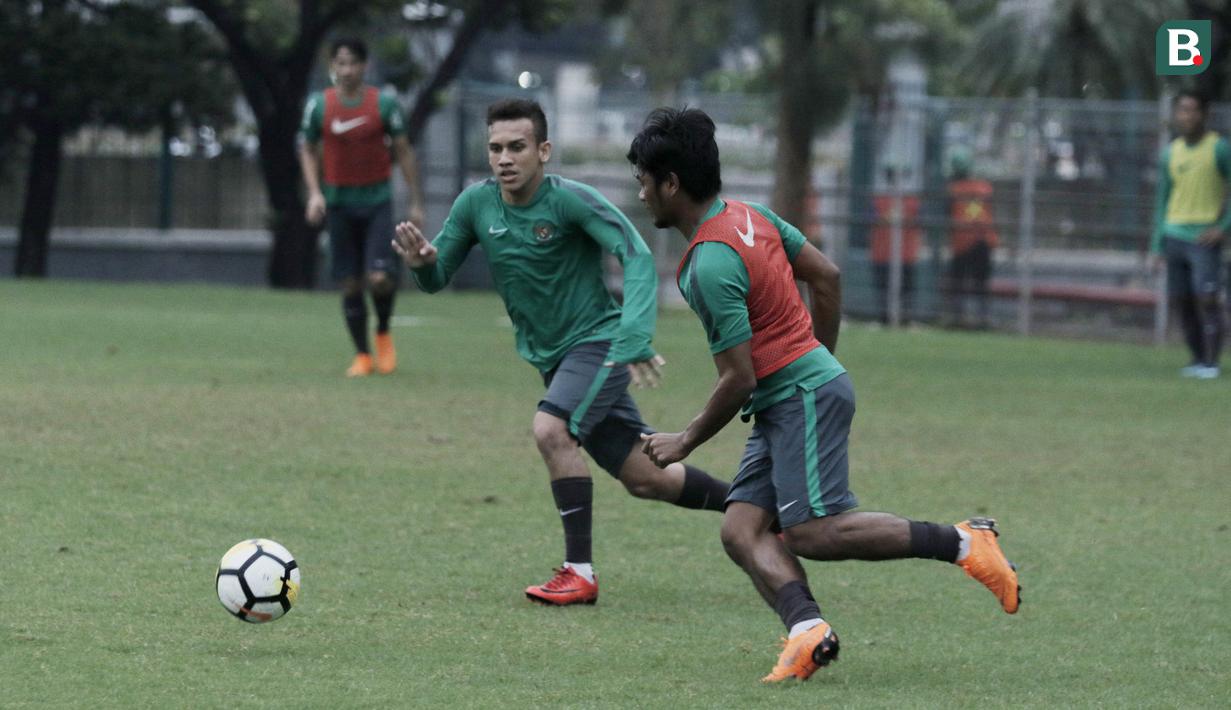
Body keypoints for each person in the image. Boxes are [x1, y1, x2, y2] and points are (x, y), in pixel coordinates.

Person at [627, 107, 1020, 682]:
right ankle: (807, 632)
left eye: (644, 181)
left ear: (671, 183)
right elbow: (827, 276)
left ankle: (964, 542)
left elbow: (738, 378)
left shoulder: (708, 263)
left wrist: (683, 441)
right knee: (741, 529)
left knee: (812, 532)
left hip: (800, 396)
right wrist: (820, 356)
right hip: (796, 392)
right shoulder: (750, 216)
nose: (641, 195)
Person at [391, 98, 730, 606]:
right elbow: (437, 278)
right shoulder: (475, 206)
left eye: (517, 147)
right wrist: (421, 262)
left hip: (599, 346)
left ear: (544, 150)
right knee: (646, 477)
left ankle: (580, 572)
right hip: (555, 363)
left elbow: (635, 255)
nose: (504, 158)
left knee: (552, 430)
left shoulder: (572, 201)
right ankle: (760, 508)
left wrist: (635, 335)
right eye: (495, 148)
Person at [299, 38, 426, 378]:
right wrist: (315, 193)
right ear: (332, 66)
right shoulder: (319, 106)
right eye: (340, 63)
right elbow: (307, 149)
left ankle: (383, 333)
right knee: (351, 283)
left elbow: (403, 151)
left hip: (376, 203)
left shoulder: (383, 105)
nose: (346, 70)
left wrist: (415, 200)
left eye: (353, 63)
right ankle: (362, 355)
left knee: (380, 278)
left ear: (364, 66)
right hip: (339, 204)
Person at [1152, 89, 1230, 379]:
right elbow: (1162, 199)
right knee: (1181, 299)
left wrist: (1222, 227)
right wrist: (1156, 244)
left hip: (1203, 237)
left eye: (1193, 110)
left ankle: (1211, 362)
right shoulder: (1170, 153)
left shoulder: (1219, 148)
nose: (1187, 116)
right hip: (1174, 234)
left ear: (1205, 114)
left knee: (1207, 298)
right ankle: (1196, 359)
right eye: (1182, 110)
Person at [944, 148, 999, 329]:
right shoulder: (984, 187)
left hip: (963, 242)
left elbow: (949, 214)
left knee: (958, 282)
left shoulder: (954, 189)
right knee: (981, 284)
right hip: (983, 240)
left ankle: (959, 318)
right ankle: (982, 319)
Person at [869, 167, 920, 325]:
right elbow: (871, 219)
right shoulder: (879, 201)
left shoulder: (911, 201)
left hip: (906, 254)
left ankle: (905, 318)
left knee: (905, 289)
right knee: (884, 288)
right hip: (883, 253)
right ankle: (885, 318)